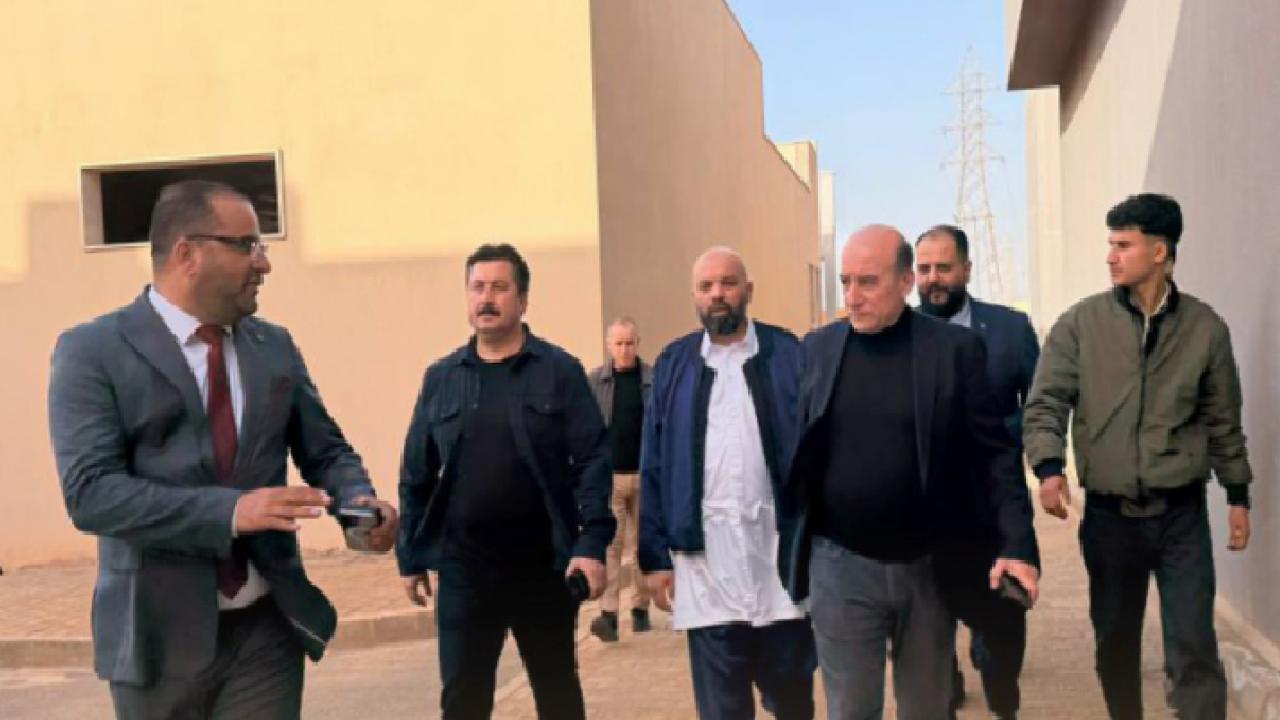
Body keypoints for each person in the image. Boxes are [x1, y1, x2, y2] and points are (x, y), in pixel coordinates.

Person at [47, 179, 398, 719]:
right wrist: (232, 512)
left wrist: (358, 503)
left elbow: (326, 450)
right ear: (187, 254)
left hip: (266, 629)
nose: (264, 264)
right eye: (246, 245)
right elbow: (92, 495)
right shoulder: (92, 351)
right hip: (156, 639)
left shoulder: (273, 346)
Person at [779, 225, 1039, 720]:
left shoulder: (954, 350)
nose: (852, 297)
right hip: (841, 567)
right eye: (846, 282)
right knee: (850, 711)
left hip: (929, 568)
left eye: (867, 282)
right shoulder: (818, 349)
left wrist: (1016, 545)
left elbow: (995, 456)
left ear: (904, 282)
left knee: (927, 708)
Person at [1024, 193, 1252, 720]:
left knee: (1193, 643)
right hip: (1110, 517)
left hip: (1181, 516)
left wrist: (1238, 495)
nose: (1111, 256)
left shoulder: (1205, 330)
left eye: (1123, 245)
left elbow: (1224, 421)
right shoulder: (1081, 325)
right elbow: (1046, 402)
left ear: (1160, 252)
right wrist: (1049, 468)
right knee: (1115, 642)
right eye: (1111, 244)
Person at [397, 243, 614, 720]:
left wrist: (591, 545)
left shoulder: (559, 371)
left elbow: (593, 460)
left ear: (523, 299)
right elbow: (416, 474)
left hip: (544, 568)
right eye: (477, 287)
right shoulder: (442, 378)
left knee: (557, 694)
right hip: (465, 570)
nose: (487, 298)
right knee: (462, 699)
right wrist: (410, 556)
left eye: (499, 287)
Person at [639, 246, 816, 720]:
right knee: (722, 710)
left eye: (728, 283)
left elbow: (817, 452)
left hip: (779, 568)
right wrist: (654, 557)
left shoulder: (788, 354)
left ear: (748, 290)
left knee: (793, 704)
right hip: (706, 571)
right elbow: (654, 463)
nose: (717, 293)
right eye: (706, 286)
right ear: (694, 296)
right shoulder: (674, 364)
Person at [916, 224, 1040, 720]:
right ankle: (945, 681)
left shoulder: (1010, 330)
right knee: (929, 625)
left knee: (1004, 630)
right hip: (927, 512)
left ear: (966, 269)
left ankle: (1001, 691)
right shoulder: (900, 335)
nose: (933, 278)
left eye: (943, 268)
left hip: (995, 504)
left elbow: (1039, 405)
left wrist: (1040, 463)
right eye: (924, 269)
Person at [586, 317, 654, 642]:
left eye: (629, 343)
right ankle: (609, 614)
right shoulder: (595, 382)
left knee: (642, 545)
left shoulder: (652, 380)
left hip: (645, 475)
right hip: (610, 477)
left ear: (637, 343)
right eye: (619, 343)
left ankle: (640, 607)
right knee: (611, 546)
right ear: (609, 345)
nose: (625, 349)